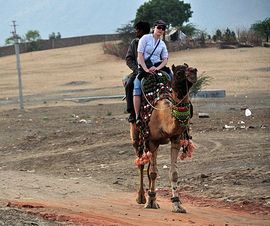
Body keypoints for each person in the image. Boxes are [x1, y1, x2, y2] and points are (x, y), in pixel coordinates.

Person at [133, 20, 171, 123]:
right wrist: (146, 69)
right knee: (136, 86)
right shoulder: (145, 39)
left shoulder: (162, 44)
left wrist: (157, 68)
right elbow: (140, 56)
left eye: (163, 28)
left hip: (157, 67)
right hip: (144, 67)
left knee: (171, 79)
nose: (161, 30)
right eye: (159, 27)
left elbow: (165, 59)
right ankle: (137, 116)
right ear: (154, 28)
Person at [124, 21, 150, 124]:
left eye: (137, 30)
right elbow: (129, 58)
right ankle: (132, 113)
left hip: (153, 70)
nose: (136, 32)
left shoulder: (153, 41)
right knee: (129, 84)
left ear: (142, 31)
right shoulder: (134, 43)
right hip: (138, 71)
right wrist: (136, 69)